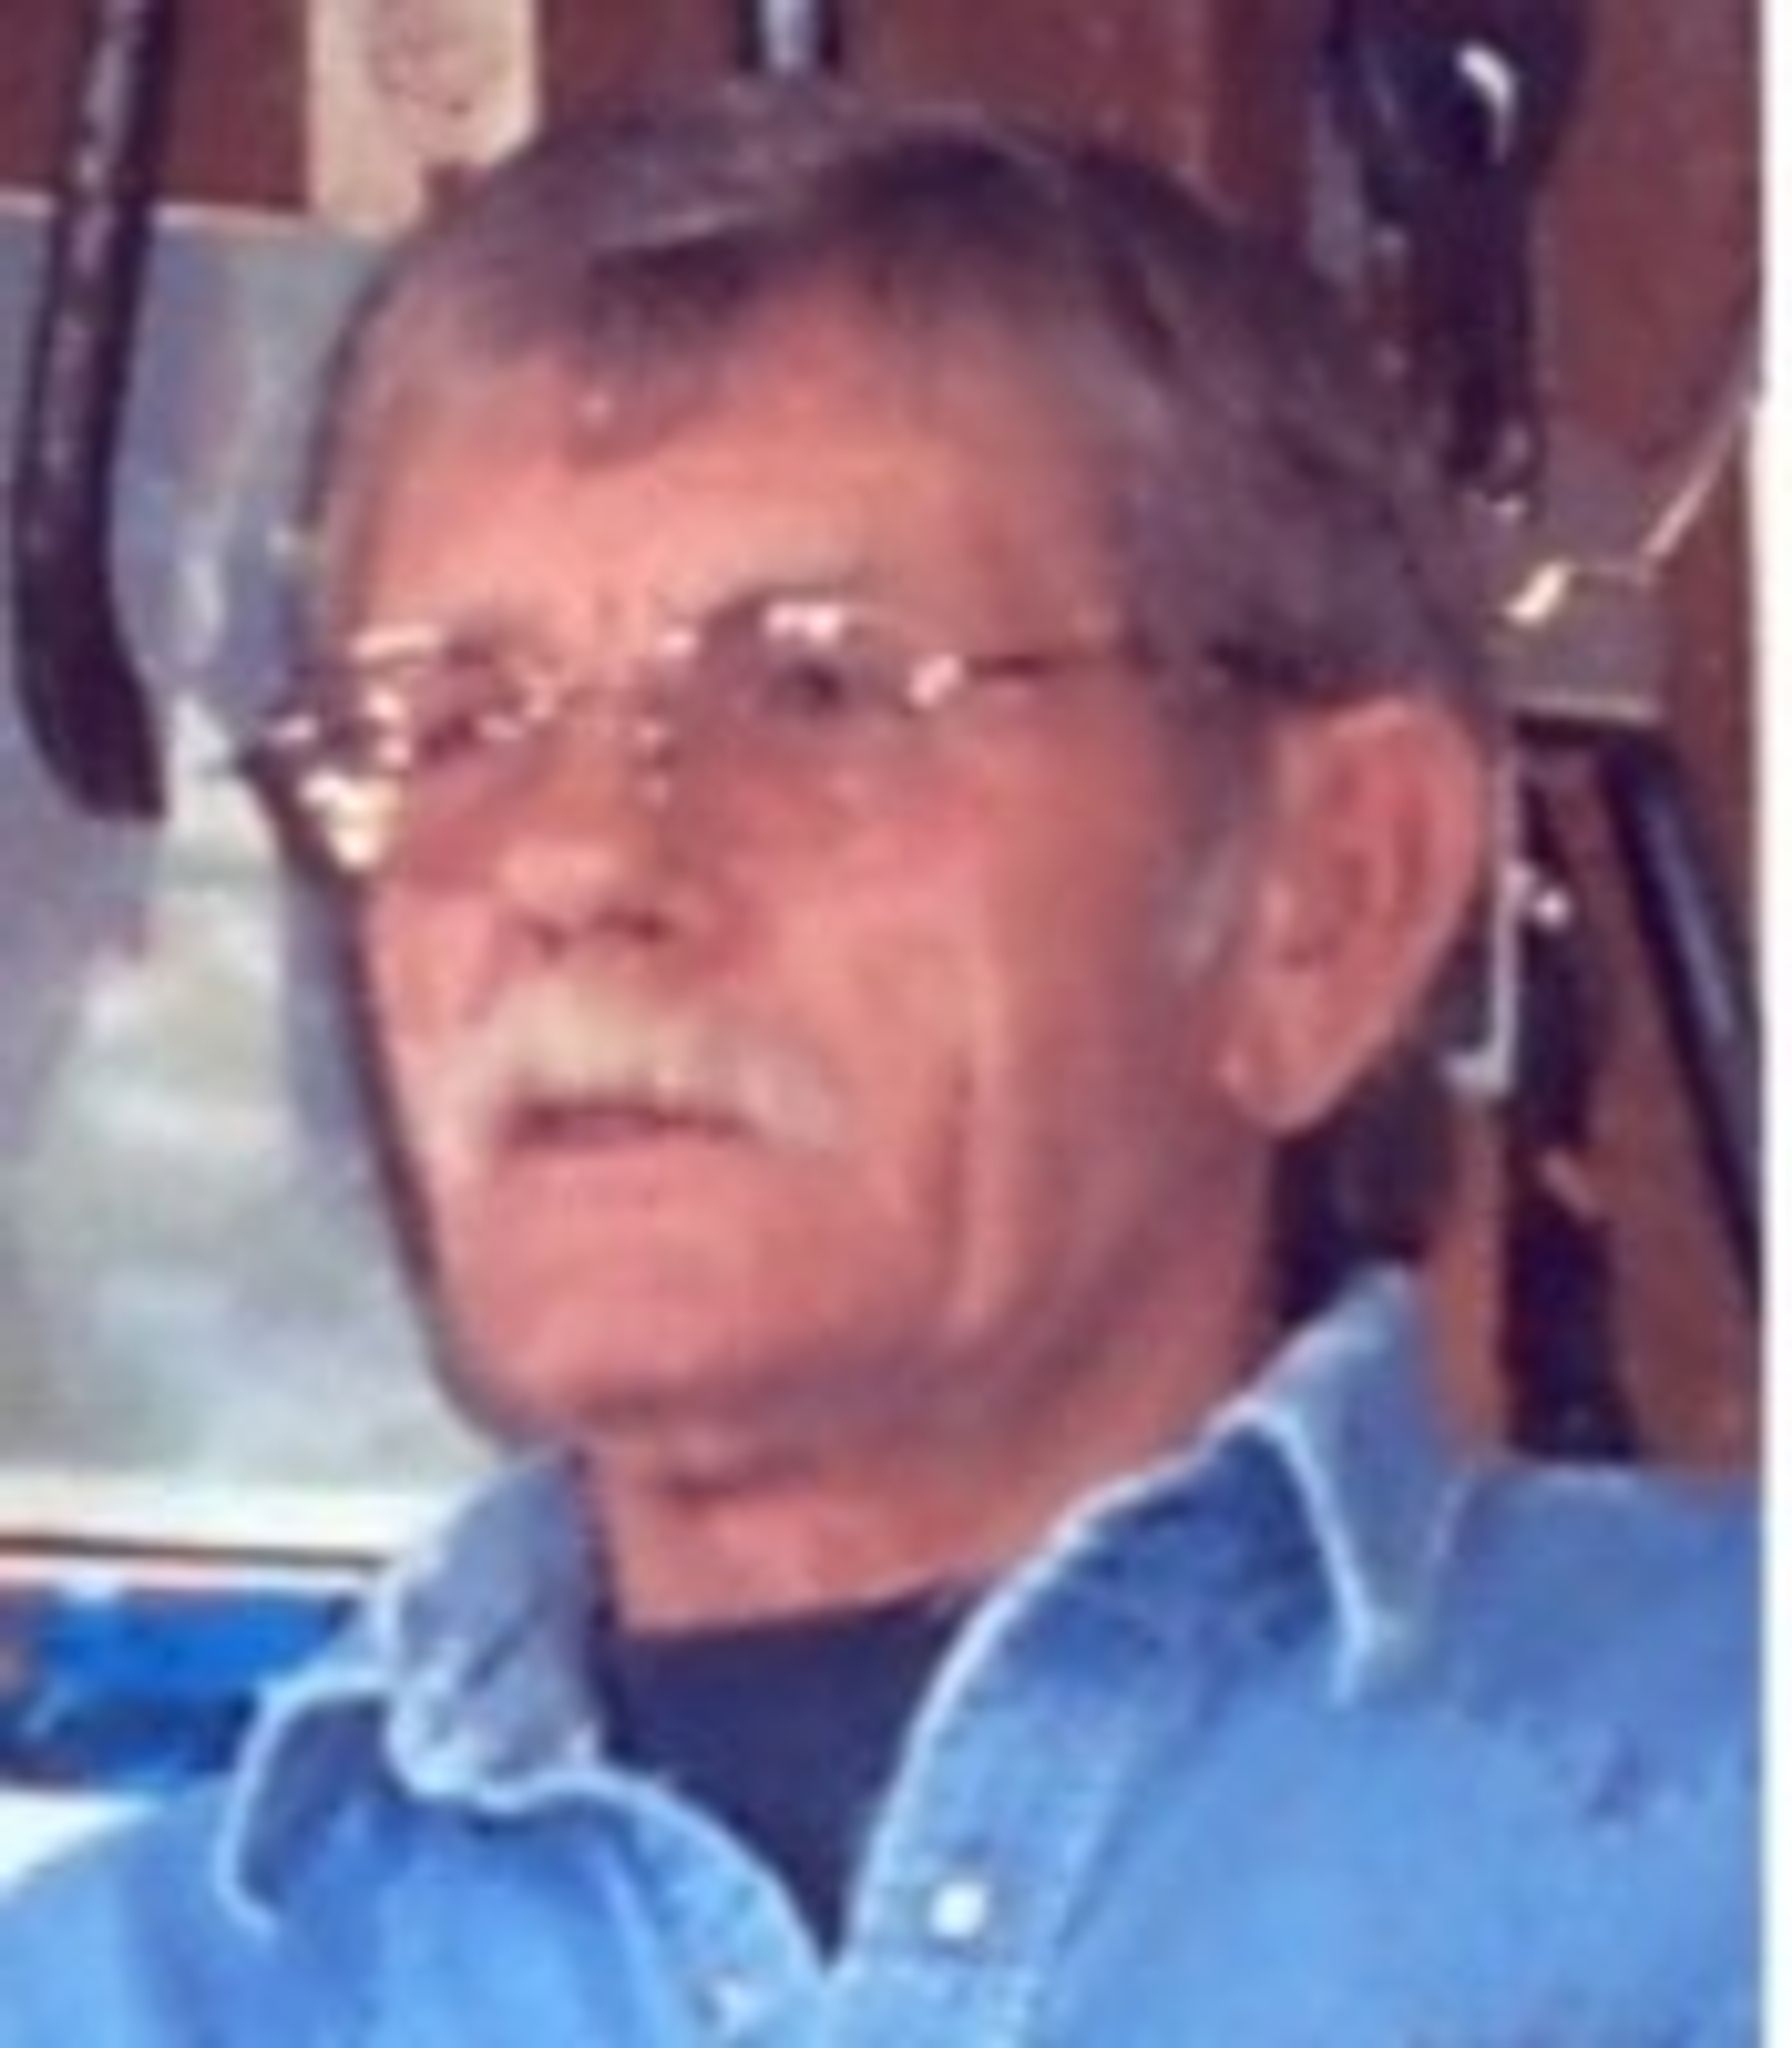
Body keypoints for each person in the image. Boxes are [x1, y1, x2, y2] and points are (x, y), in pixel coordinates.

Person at [0, 78, 1755, 2045]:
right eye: (455, 724)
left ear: (1326, 895)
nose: (569, 863)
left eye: (815, 686)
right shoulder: (112, 1995)